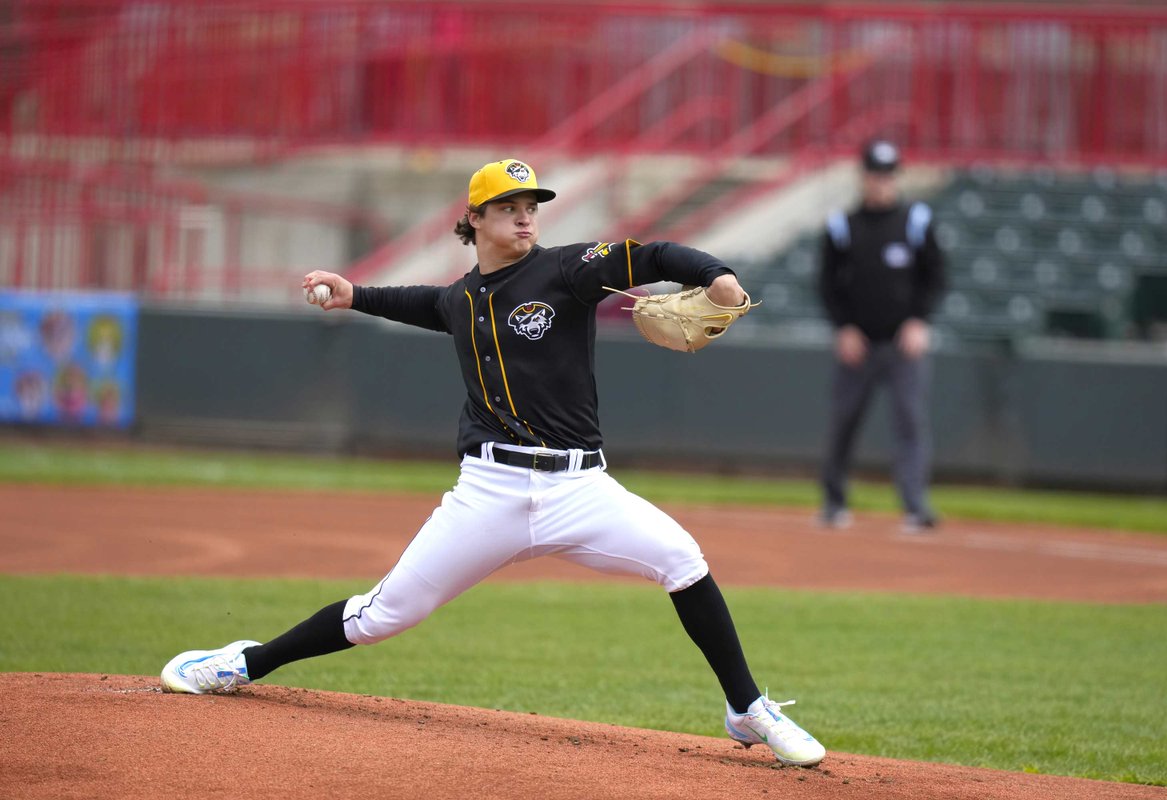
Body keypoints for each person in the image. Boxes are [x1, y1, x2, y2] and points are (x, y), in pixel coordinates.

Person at [160, 158, 826, 767]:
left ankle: (746, 709)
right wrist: (353, 294)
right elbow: (426, 304)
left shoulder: (568, 268)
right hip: (490, 493)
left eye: (531, 204)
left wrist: (715, 275)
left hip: (581, 488)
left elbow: (648, 253)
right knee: (379, 618)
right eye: (509, 206)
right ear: (474, 219)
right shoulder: (463, 298)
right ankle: (246, 661)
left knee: (683, 560)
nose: (526, 215)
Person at [816, 140, 947, 533]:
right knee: (844, 421)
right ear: (863, 176)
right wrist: (843, 327)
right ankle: (834, 502)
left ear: (896, 177)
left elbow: (936, 277)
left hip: (902, 344)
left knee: (910, 422)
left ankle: (914, 505)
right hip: (858, 344)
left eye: (888, 175)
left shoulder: (916, 221)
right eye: (875, 174)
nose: (881, 182)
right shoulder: (843, 226)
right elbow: (826, 283)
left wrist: (919, 321)